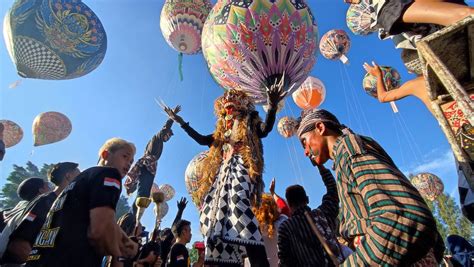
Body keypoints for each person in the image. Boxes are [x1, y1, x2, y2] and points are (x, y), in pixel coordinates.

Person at [297, 108, 445, 266]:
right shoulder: (344, 157)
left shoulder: (349, 148)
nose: (306, 152)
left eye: (305, 142)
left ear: (320, 128)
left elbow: (401, 217)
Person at [162, 81, 286, 266]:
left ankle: (257, 257)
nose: (229, 101)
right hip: (222, 175)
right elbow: (202, 139)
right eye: (227, 100)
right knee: (211, 216)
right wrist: (179, 122)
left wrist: (273, 105)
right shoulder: (220, 133)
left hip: (241, 168)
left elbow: (265, 130)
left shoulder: (250, 123)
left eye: (234, 99)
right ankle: (225, 258)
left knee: (238, 205)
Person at [25, 138, 139, 267]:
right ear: (105, 155)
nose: (129, 164)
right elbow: (100, 231)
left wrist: (125, 240)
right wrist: (123, 254)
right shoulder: (110, 174)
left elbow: (101, 222)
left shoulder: (78, 181)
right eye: (125, 156)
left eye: (131, 162)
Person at [1, 162, 80, 265]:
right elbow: (19, 245)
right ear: (68, 176)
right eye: (79, 176)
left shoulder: (66, 206)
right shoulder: (45, 202)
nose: (82, 181)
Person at [277, 166, 343, 267]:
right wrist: (320, 166)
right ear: (307, 199)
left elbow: (285, 262)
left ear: (289, 205)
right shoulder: (324, 212)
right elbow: (333, 190)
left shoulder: (285, 228)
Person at [124, 107, 180, 216]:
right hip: (148, 165)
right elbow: (165, 127)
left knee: (143, 192)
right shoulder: (157, 137)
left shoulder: (158, 142)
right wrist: (173, 115)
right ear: (165, 133)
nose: (168, 138)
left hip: (149, 166)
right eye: (168, 135)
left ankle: (133, 216)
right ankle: (131, 218)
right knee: (143, 193)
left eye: (169, 137)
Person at [0, 178, 51, 259]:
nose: (52, 188)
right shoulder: (34, 210)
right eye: (49, 185)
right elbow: (20, 245)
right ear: (41, 190)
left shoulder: (19, 208)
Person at [251, 192, 287, 267]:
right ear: (274, 207)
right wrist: (273, 193)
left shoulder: (253, 231)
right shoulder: (282, 222)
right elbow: (285, 208)